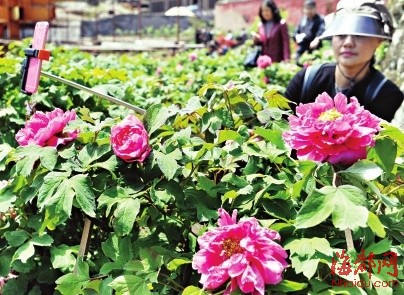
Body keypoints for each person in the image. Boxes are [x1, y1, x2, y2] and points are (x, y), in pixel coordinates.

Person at [284, 0, 403, 122]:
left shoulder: (386, 95)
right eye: (341, 34)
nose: (348, 43)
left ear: (379, 40)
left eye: (359, 34)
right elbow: (277, 124)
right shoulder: (305, 79)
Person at [293, 0, 325, 66]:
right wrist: (296, 37)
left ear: (315, 9)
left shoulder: (320, 19)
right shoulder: (303, 19)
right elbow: (296, 31)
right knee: (298, 63)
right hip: (302, 48)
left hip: (314, 49)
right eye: (306, 9)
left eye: (310, 8)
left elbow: (321, 30)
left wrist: (316, 39)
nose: (308, 11)